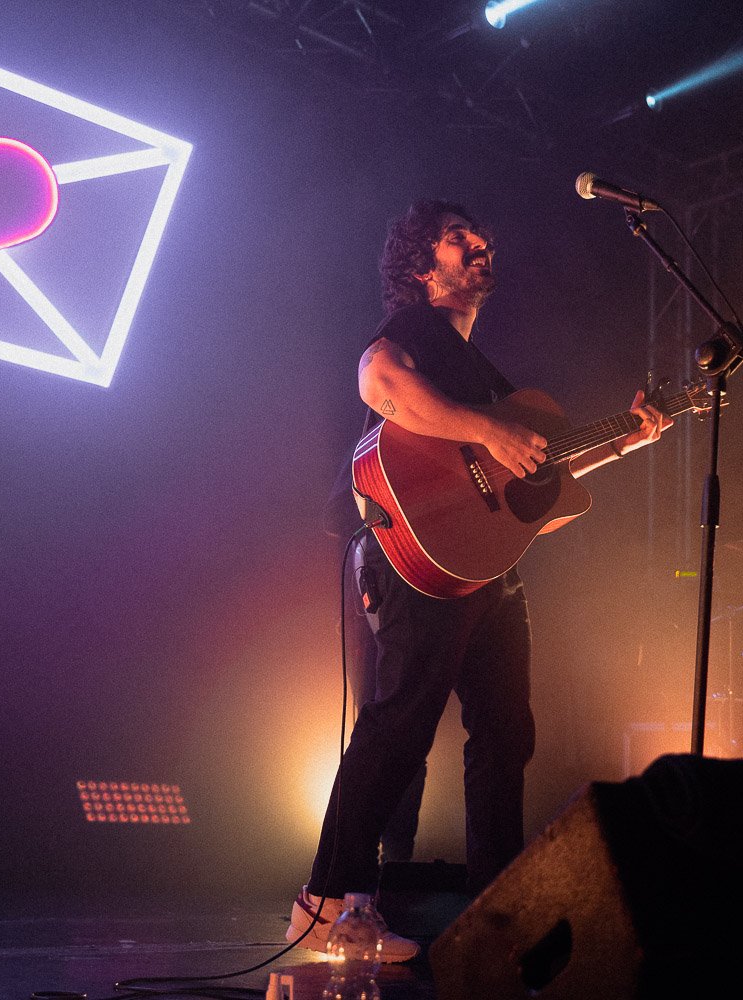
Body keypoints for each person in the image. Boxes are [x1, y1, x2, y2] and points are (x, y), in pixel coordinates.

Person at [288, 200, 671, 959]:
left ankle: (495, 913)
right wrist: (490, 429)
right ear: (422, 266)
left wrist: (631, 438)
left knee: (505, 732)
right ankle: (326, 900)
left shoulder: (484, 376)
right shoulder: (415, 331)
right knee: (403, 722)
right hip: (415, 554)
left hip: (484, 567)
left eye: (482, 237)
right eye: (458, 238)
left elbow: (541, 481)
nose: (479, 244)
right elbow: (379, 379)